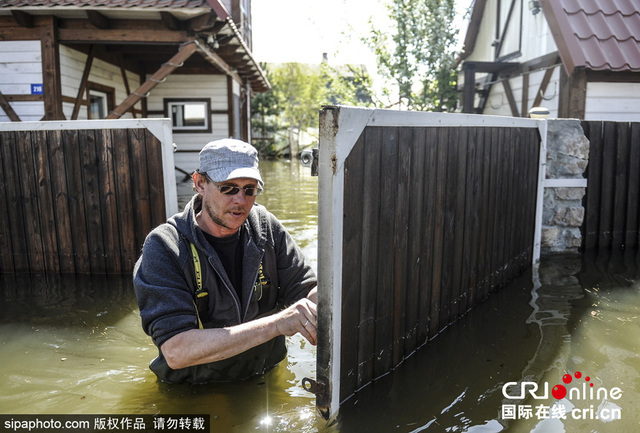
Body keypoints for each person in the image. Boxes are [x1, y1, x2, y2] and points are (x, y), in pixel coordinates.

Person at [133, 138, 317, 384]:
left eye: (249, 189)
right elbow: (177, 351)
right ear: (199, 183)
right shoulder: (165, 246)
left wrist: (328, 305)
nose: (241, 200)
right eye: (228, 188)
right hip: (194, 391)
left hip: (264, 378)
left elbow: (306, 289)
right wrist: (277, 324)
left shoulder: (265, 227)